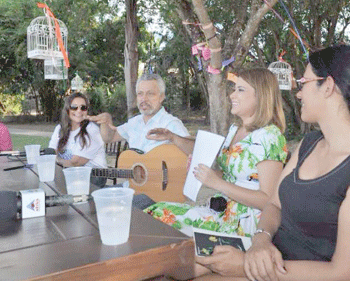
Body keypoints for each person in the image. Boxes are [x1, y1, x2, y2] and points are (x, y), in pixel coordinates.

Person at [193, 44, 350, 281]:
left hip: (290, 273)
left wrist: (247, 266)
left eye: (304, 83)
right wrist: (260, 240)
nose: (298, 93)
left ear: (327, 86)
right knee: (180, 264)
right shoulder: (309, 144)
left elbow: (341, 272)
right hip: (264, 255)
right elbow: (274, 205)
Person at [145, 68, 288, 238]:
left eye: (240, 90)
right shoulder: (235, 130)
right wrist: (205, 174)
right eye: (234, 89)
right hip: (219, 210)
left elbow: (269, 200)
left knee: (157, 217)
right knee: (152, 212)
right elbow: (230, 176)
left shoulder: (270, 136)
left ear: (261, 96)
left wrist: (216, 184)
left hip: (242, 222)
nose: (232, 95)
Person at [88, 73, 194, 155]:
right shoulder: (134, 122)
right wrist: (106, 121)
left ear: (161, 97)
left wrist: (172, 137)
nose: (144, 99)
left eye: (150, 94)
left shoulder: (170, 123)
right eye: (140, 94)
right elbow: (109, 138)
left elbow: (194, 149)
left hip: (160, 183)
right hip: (134, 183)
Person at [49, 92, 107, 188]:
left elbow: (76, 162)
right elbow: (50, 152)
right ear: (67, 109)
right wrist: (57, 160)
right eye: (74, 107)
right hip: (69, 172)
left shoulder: (92, 130)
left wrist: (57, 160)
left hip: (93, 177)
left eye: (83, 107)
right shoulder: (60, 129)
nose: (79, 111)